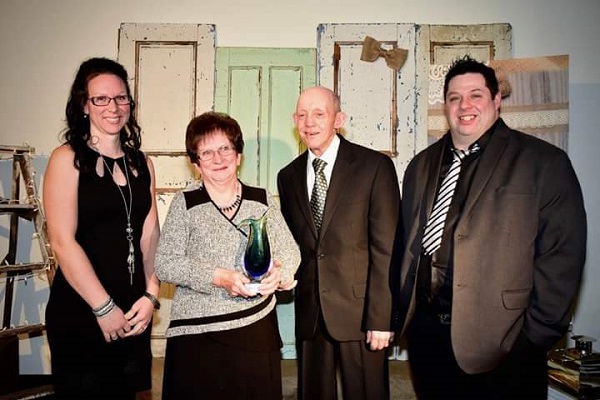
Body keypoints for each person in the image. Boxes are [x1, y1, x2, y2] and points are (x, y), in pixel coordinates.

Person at [397, 55, 587, 399]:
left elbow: (563, 255)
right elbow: (405, 244)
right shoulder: (421, 166)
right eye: (454, 98)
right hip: (427, 336)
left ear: (497, 100)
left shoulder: (543, 162)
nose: (463, 105)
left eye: (475, 95)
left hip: (505, 342)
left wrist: (533, 336)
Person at [154, 111, 300, 400]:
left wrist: (278, 276)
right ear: (195, 163)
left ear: (238, 155)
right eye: (206, 153)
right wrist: (220, 277)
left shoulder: (261, 199)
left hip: (255, 327)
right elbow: (166, 263)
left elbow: (289, 251)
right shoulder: (185, 203)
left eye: (225, 149)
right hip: (197, 333)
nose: (218, 159)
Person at [43, 57, 160, 399]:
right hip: (82, 308)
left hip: (134, 308)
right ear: (84, 105)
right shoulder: (67, 158)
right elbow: (62, 242)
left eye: (121, 97)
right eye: (101, 99)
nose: (114, 107)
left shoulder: (143, 164)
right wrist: (103, 307)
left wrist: (151, 294)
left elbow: (150, 236)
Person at [277, 86, 402, 400]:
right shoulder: (287, 176)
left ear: (338, 119)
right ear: (294, 120)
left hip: (362, 316)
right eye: (302, 115)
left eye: (319, 114)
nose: (310, 122)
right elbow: (293, 245)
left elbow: (387, 250)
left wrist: (382, 319)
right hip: (311, 316)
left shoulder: (375, 167)